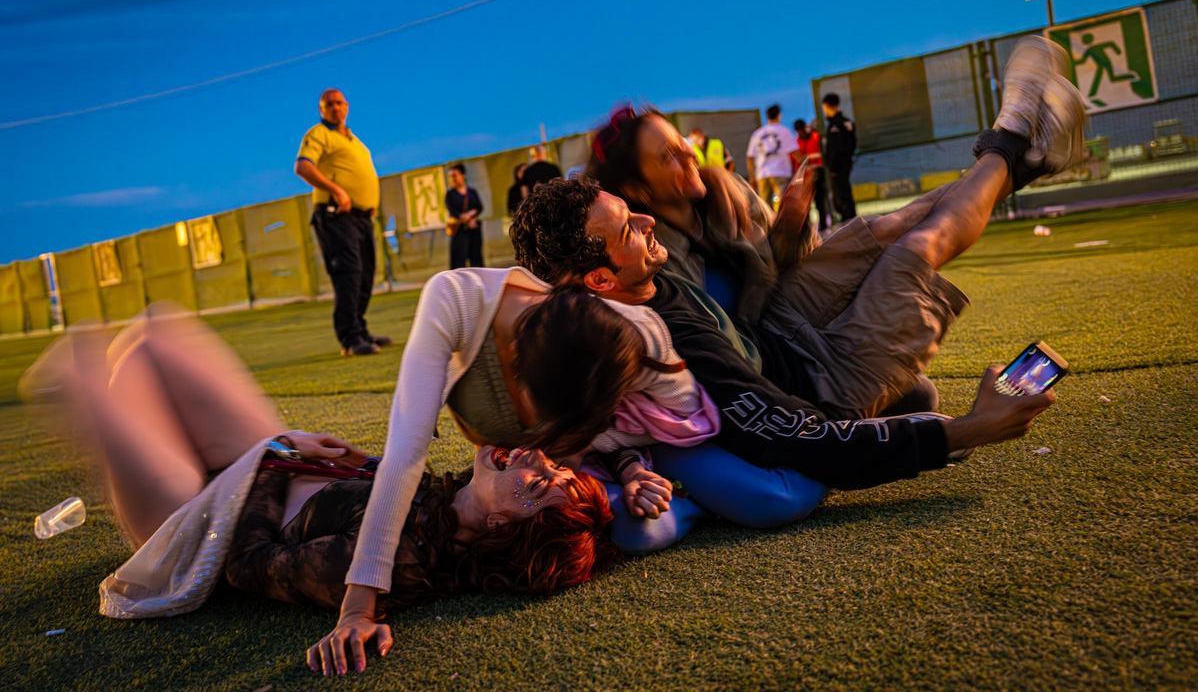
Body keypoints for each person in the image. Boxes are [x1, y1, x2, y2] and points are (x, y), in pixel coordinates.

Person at [512, 36, 1085, 488]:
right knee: (917, 251)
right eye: (628, 225)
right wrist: (968, 430)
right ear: (599, 279)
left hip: (779, 329)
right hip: (823, 380)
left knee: (888, 227)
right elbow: (802, 437)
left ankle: (1024, 156)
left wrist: (787, 228)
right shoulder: (668, 333)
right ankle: (1012, 142)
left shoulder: (655, 265)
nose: (647, 221)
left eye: (631, 212)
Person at [21, 310, 614, 679]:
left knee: (82, 370)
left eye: (536, 486)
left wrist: (277, 457)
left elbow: (246, 564)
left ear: (500, 529)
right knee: (154, 334)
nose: (534, 459)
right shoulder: (454, 499)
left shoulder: (393, 567)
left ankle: (79, 399)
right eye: (551, 468)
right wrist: (350, 464)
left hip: (196, 524)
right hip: (260, 469)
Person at [307, 263, 825, 671]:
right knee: (632, 529)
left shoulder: (620, 336)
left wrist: (630, 465)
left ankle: (741, 463)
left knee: (783, 497)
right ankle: (692, 504)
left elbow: (684, 418)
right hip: (572, 474)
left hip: (655, 438)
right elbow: (406, 452)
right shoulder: (455, 300)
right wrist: (359, 605)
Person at [587, 102, 937, 415]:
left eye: (684, 146)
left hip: (800, 337)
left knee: (919, 392)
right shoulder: (648, 254)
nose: (690, 157)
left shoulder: (729, 192)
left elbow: (791, 271)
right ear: (637, 189)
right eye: (669, 157)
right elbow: (699, 354)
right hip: (753, 378)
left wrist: (789, 227)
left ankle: (987, 163)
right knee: (914, 399)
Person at [294, 88, 391, 357]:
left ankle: (360, 329)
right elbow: (303, 167)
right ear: (321, 109)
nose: (336, 108)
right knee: (348, 275)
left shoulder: (354, 140)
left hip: (361, 218)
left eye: (339, 103)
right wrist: (337, 190)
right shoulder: (318, 134)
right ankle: (350, 339)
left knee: (365, 274)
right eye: (329, 104)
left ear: (347, 106)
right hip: (336, 215)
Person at [746, 103, 799, 210]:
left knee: (764, 206)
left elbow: (750, 157)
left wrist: (752, 177)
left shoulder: (757, 133)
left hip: (762, 174)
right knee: (782, 203)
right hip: (780, 172)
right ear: (779, 115)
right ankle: (781, 225)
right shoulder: (784, 131)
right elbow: (795, 152)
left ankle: (768, 226)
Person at [821, 93, 857, 223]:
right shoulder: (846, 122)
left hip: (839, 166)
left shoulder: (837, 125)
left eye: (824, 107)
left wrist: (833, 166)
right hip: (843, 164)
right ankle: (848, 220)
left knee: (842, 196)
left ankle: (849, 222)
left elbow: (838, 148)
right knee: (841, 195)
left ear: (829, 107)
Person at [445, 163, 485, 269]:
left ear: (463, 175)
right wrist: (465, 218)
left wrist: (471, 216)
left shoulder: (472, 192)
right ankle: (458, 284)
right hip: (459, 231)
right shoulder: (450, 194)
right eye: (450, 176)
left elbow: (479, 207)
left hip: (474, 230)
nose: (452, 179)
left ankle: (479, 283)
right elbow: (452, 211)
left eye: (455, 175)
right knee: (458, 261)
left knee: (476, 259)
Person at [795, 118, 831, 231]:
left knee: (820, 200)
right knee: (805, 204)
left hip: (818, 172)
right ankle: (808, 228)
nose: (801, 132)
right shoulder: (796, 142)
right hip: (805, 175)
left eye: (802, 130)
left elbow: (823, 154)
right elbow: (796, 160)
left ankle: (824, 225)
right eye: (799, 131)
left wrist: (809, 157)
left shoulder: (816, 137)